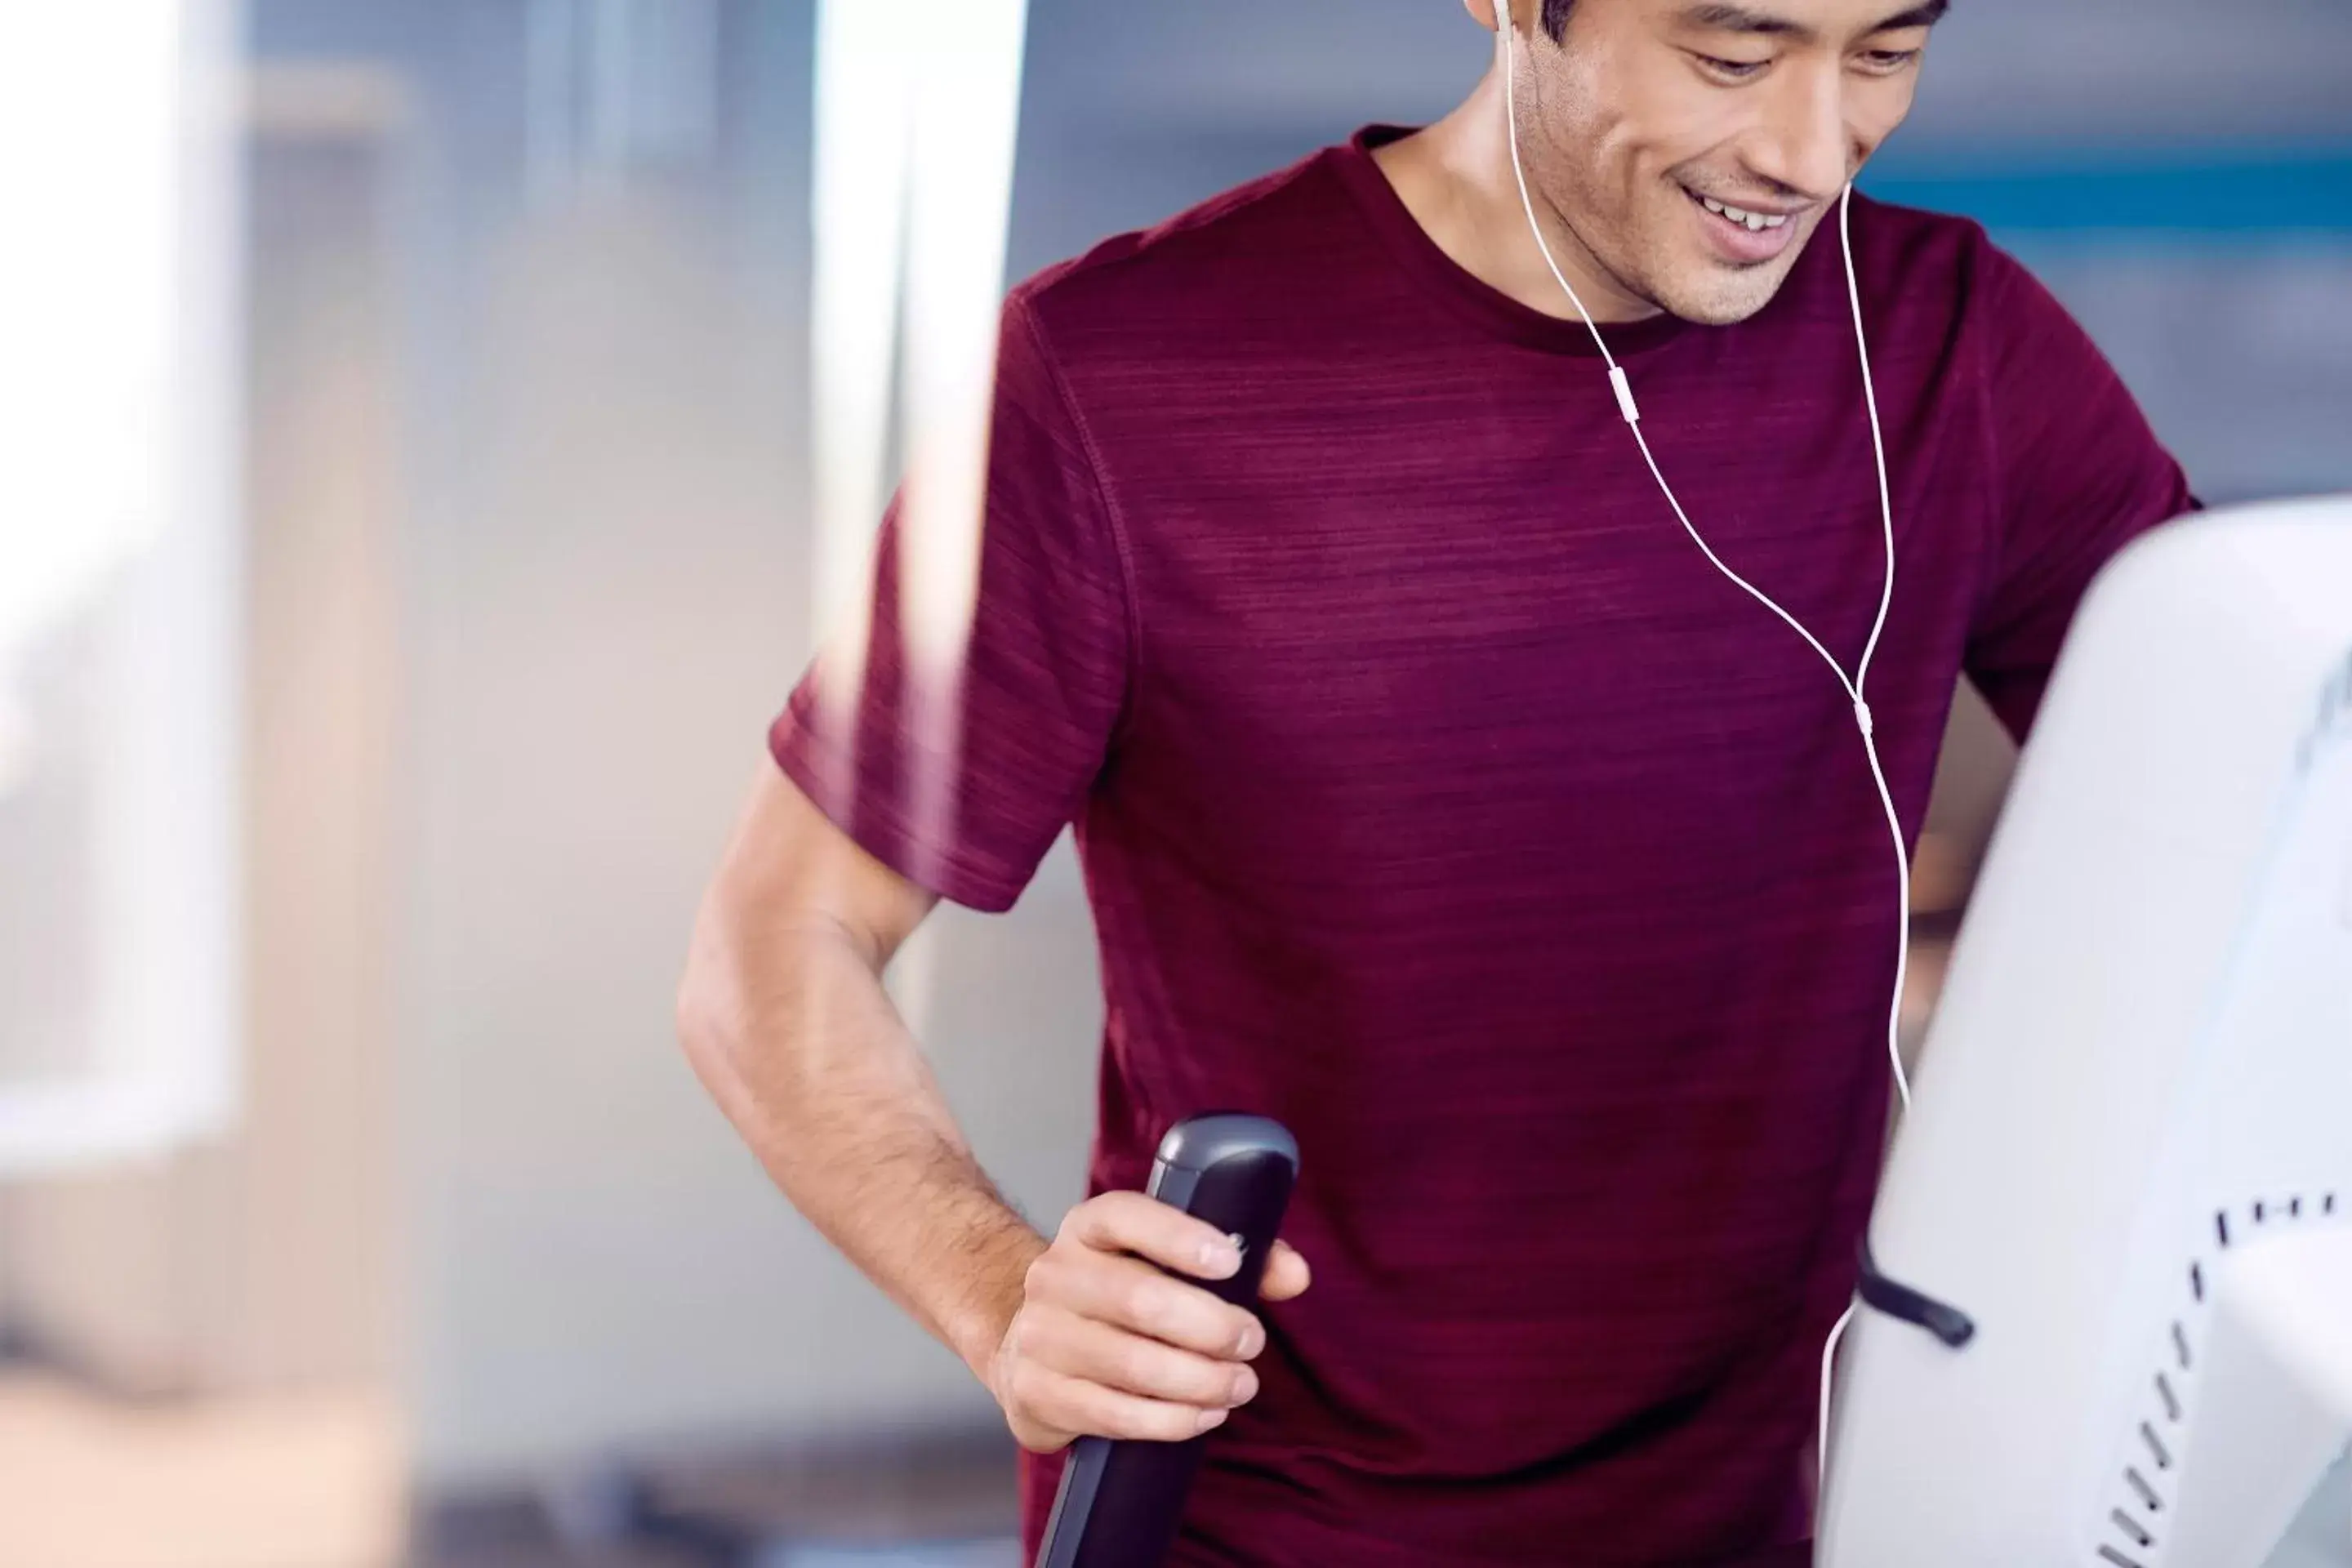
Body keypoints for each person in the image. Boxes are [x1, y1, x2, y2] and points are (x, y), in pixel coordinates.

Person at [675, 0, 2200, 1561]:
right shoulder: (1121, 376)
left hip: (1772, 1518)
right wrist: (1000, 1295)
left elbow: (2273, 783)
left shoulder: (1953, 344)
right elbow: (773, 943)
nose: (1814, 151)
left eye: (1883, 54)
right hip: (1268, 1528)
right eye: (1732, 57)